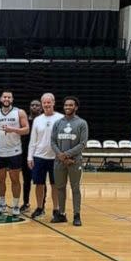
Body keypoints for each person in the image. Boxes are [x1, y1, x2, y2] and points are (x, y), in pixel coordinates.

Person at [51, 97, 88, 226]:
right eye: (66, 105)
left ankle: (77, 215)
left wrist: (66, 155)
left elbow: (82, 144)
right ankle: (61, 214)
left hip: (74, 161)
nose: (67, 107)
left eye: (70, 105)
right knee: (60, 188)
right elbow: (53, 141)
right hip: (59, 161)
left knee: (75, 188)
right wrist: (61, 156)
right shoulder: (58, 123)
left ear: (76, 107)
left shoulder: (82, 123)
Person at [0, 91, 30, 216]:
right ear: (1, 99)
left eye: (9, 97)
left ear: (12, 99)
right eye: (4, 97)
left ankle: (15, 205)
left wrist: (12, 129)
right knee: (0, 180)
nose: (6, 99)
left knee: (15, 180)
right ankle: (2, 204)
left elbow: (26, 129)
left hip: (14, 151)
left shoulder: (19, 112)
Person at [28, 93, 63, 220]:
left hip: (56, 158)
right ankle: (39, 208)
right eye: (44, 103)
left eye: (49, 102)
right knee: (39, 184)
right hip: (39, 157)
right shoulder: (37, 119)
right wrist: (30, 157)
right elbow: (33, 140)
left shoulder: (61, 118)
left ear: (53, 103)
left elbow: (64, 139)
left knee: (55, 185)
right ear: (42, 104)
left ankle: (56, 209)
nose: (47, 105)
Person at [21, 99, 42, 212]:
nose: (34, 107)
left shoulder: (43, 120)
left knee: (40, 182)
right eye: (32, 105)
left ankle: (41, 206)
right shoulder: (25, 121)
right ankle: (26, 203)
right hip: (25, 154)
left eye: (37, 105)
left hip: (39, 154)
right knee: (26, 181)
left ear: (41, 108)